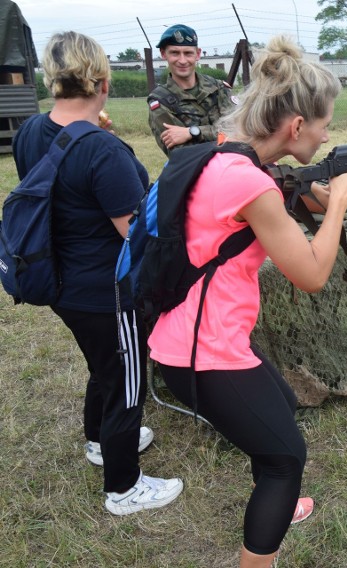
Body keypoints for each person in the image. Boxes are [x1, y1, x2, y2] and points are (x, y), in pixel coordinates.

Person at [148, 35, 347, 567]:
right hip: (202, 352)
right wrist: (342, 206)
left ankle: (279, 493)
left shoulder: (237, 156)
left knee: (283, 403)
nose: (326, 136)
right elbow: (312, 273)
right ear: (296, 126)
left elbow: (312, 196)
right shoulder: (247, 183)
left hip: (197, 335)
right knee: (285, 457)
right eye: (323, 125)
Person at [12, 31, 183, 515]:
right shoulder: (104, 154)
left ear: (53, 79)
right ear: (104, 83)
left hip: (59, 280)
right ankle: (124, 487)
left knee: (103, 366)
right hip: (107, 289)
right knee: (127, 380)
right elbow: (134, 232)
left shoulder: (30, 131)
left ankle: (97, 441)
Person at [147, 24, 236, 156]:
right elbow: (183, 155)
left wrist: (192, 132)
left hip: (235, 167)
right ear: (163, 54)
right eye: (175, 53)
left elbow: (239, 132)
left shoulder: (219, 88)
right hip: (197, 174)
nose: (182, 61)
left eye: (188, 53)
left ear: (198, 54)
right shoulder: (160, 101)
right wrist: (223, 138)